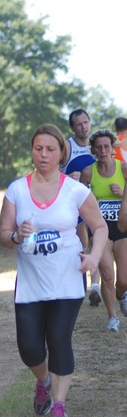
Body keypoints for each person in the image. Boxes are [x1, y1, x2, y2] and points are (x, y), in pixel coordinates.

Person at [0, 123, 107, 417]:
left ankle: (59, 405)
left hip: (68, 277)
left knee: (59, 339)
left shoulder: (75, 190)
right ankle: (43, 380)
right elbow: (3, 236)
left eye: (50, 149)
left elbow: (99, 227)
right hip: (31, 282)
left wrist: (95, 257)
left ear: (61, 153)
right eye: (38, 148)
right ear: (32, 151)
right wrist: (17, 236)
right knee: (30, 347)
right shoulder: (17, 189)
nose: (43, 154)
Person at [80, 129, 127, 332]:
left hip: (123, 227)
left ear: (113, 147)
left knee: (123, 279)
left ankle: (121, 294)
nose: (103, 150)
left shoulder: (124, 169)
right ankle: (112, 317)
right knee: (107, 274)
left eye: (106, 146)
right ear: (93, 149)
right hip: (100, 229)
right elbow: (78, 199)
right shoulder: (88, 172)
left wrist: (123, 192)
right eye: (98, 147)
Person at [62, 108, 101, 306]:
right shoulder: (66, 147)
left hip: (94, 201)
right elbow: (47, 171)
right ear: (73, 127)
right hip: (72, 205)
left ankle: (95, 287)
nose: (84, 127)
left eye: (86, 122)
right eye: (79, 124)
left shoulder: (97, 145)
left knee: (98, 242)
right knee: (81, 245)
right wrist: (67, 178)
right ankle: (79, 285)